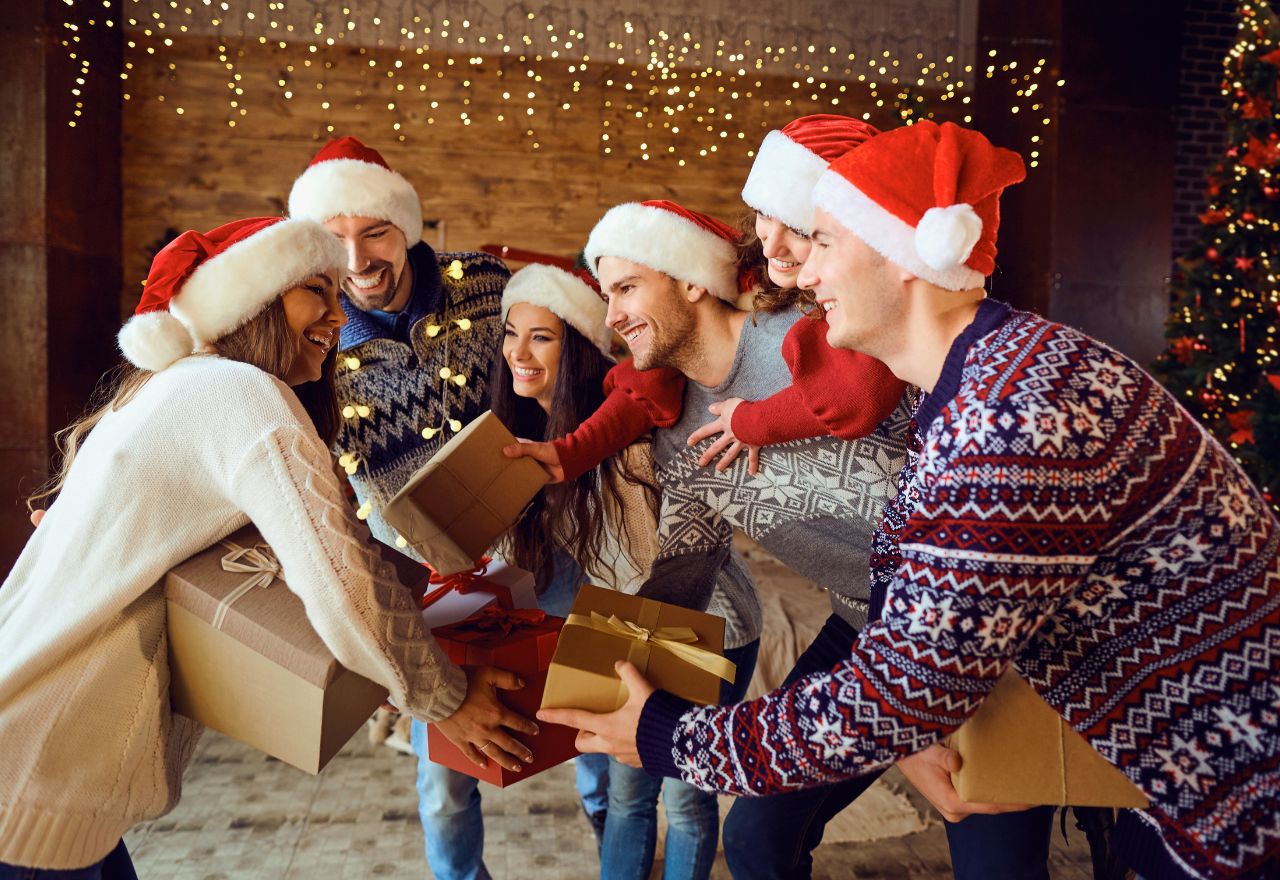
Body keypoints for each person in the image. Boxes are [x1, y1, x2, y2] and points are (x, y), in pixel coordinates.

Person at [541, 121, 1280, 880]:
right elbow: (899, 649)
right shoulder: (976, 382)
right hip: (1176, 770)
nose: (800, 274)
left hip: (1236, 798)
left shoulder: (1004, 418)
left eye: (823, 242)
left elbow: (900, 690)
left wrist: (670, 735)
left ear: (905, 252)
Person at [0, 217, 534, 878]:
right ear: (251, 301)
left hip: (41, 764)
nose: (339, 316)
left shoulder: (175, 386)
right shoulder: (241, 393)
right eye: (316, 289)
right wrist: (445, 700)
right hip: (40, 768)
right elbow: (341, 581)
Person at [286, 138, 607, 878]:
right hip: (427, 575)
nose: (358, 257)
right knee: (446, 782)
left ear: (408, 228)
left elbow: (574, 364)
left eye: (375, 232)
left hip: (544, 540)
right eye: (335, 239)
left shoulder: (492, 285)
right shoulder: (311, 333)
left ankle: (616, 847)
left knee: (595, 720)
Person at [496, 262, 763, 880]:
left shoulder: (631, 420)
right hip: (620, 624)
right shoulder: (523, 437)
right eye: (512, 333)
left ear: (581, 348)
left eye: (542, 335)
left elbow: (692, 541)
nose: (519, 351)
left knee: (684, 797)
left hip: (702, 618)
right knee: (627, 796)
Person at [514, 116, 906, 486]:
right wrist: (575, 451)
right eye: (764, 215)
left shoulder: (857, 310)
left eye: (802, 230)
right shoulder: (763, 300)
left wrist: (753, 421)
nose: (770, 241)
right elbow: (653, 375)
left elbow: (857, 396)